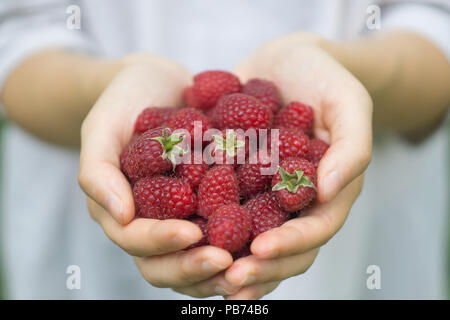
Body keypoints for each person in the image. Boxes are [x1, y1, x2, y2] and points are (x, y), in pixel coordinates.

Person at [0, 0, 448, 299]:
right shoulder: (191, 152)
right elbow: (20, 35)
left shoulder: (268, 155)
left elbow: (431, 20)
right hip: (82, 246)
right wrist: (101, 89)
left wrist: (350, 74)